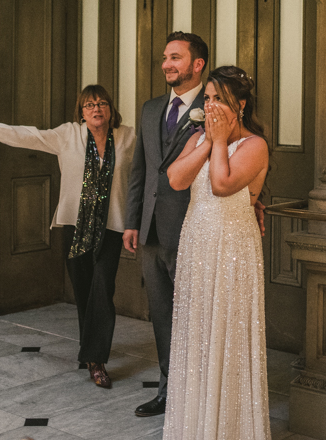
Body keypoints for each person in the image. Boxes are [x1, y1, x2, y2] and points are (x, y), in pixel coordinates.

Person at [0, 85, 135, 389]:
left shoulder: (128, 137)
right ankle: (90, 350)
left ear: (110, 108)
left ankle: (96, 360)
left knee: (102, 289)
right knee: (83, 292)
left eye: (102, 103)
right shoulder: (68, 135)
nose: (96, 109)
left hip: (112, 226)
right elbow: (29, 135)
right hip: (74, 226)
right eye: (89, 105)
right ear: (81, 112)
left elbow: (143, 173)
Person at [163, 66, 271, 439]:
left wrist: (220, 140)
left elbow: (222, 184)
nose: (209, 106)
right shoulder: (199, 139)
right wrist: (209, 141)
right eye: (206, 99)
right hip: (197, 243)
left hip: (232, 249)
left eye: (218, 100)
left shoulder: (255, 145)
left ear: (239, 105)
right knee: (197, 335)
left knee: (228, 336)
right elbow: (177, 179)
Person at [123, 31, 209, 417]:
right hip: (152, 231)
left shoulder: (215, 105)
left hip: (196, 228)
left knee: (197, 316)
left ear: (197, 64)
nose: (166, 64)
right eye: (164, 57)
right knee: (162, 315)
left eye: (175, 57)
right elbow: (140, 169)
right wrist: (132, 222)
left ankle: (201, 393)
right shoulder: (149, 108)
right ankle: (168, 390)